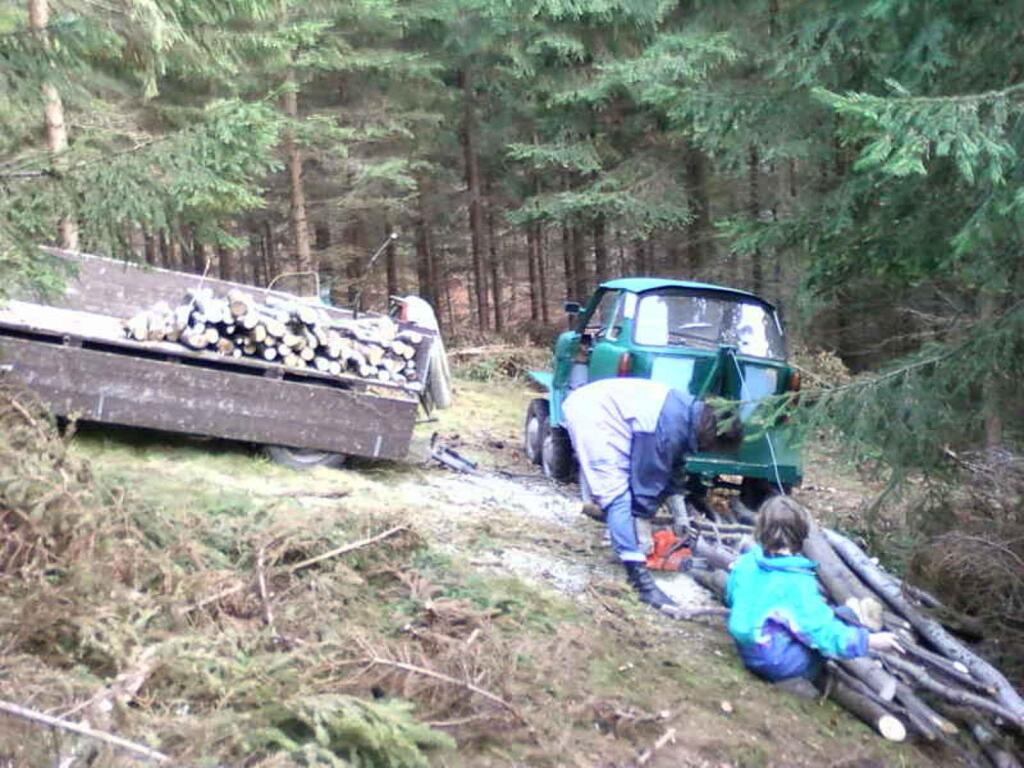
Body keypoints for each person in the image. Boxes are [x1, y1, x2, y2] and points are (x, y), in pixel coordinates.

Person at [562, 377, 738, 609]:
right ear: (714, 434)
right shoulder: (669, 428)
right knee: (617, 494)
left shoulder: (687, 416)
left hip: (614, 414)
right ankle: (640, 581)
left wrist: (680, 516)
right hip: (594, 414)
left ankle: (622, 536)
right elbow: (646, 480)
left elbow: (673, 470)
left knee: (626, 497)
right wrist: (642, 533)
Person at [725, 495, 903, 687]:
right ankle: (858, 624)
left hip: (746, 648)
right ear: (800, 534)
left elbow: (730, 597)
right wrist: (870, 642)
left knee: (815, 617)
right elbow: (819, 631)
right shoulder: (796, 581)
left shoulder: (745, 563)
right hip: (777, 662)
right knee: (822, 644)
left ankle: (852, 615)